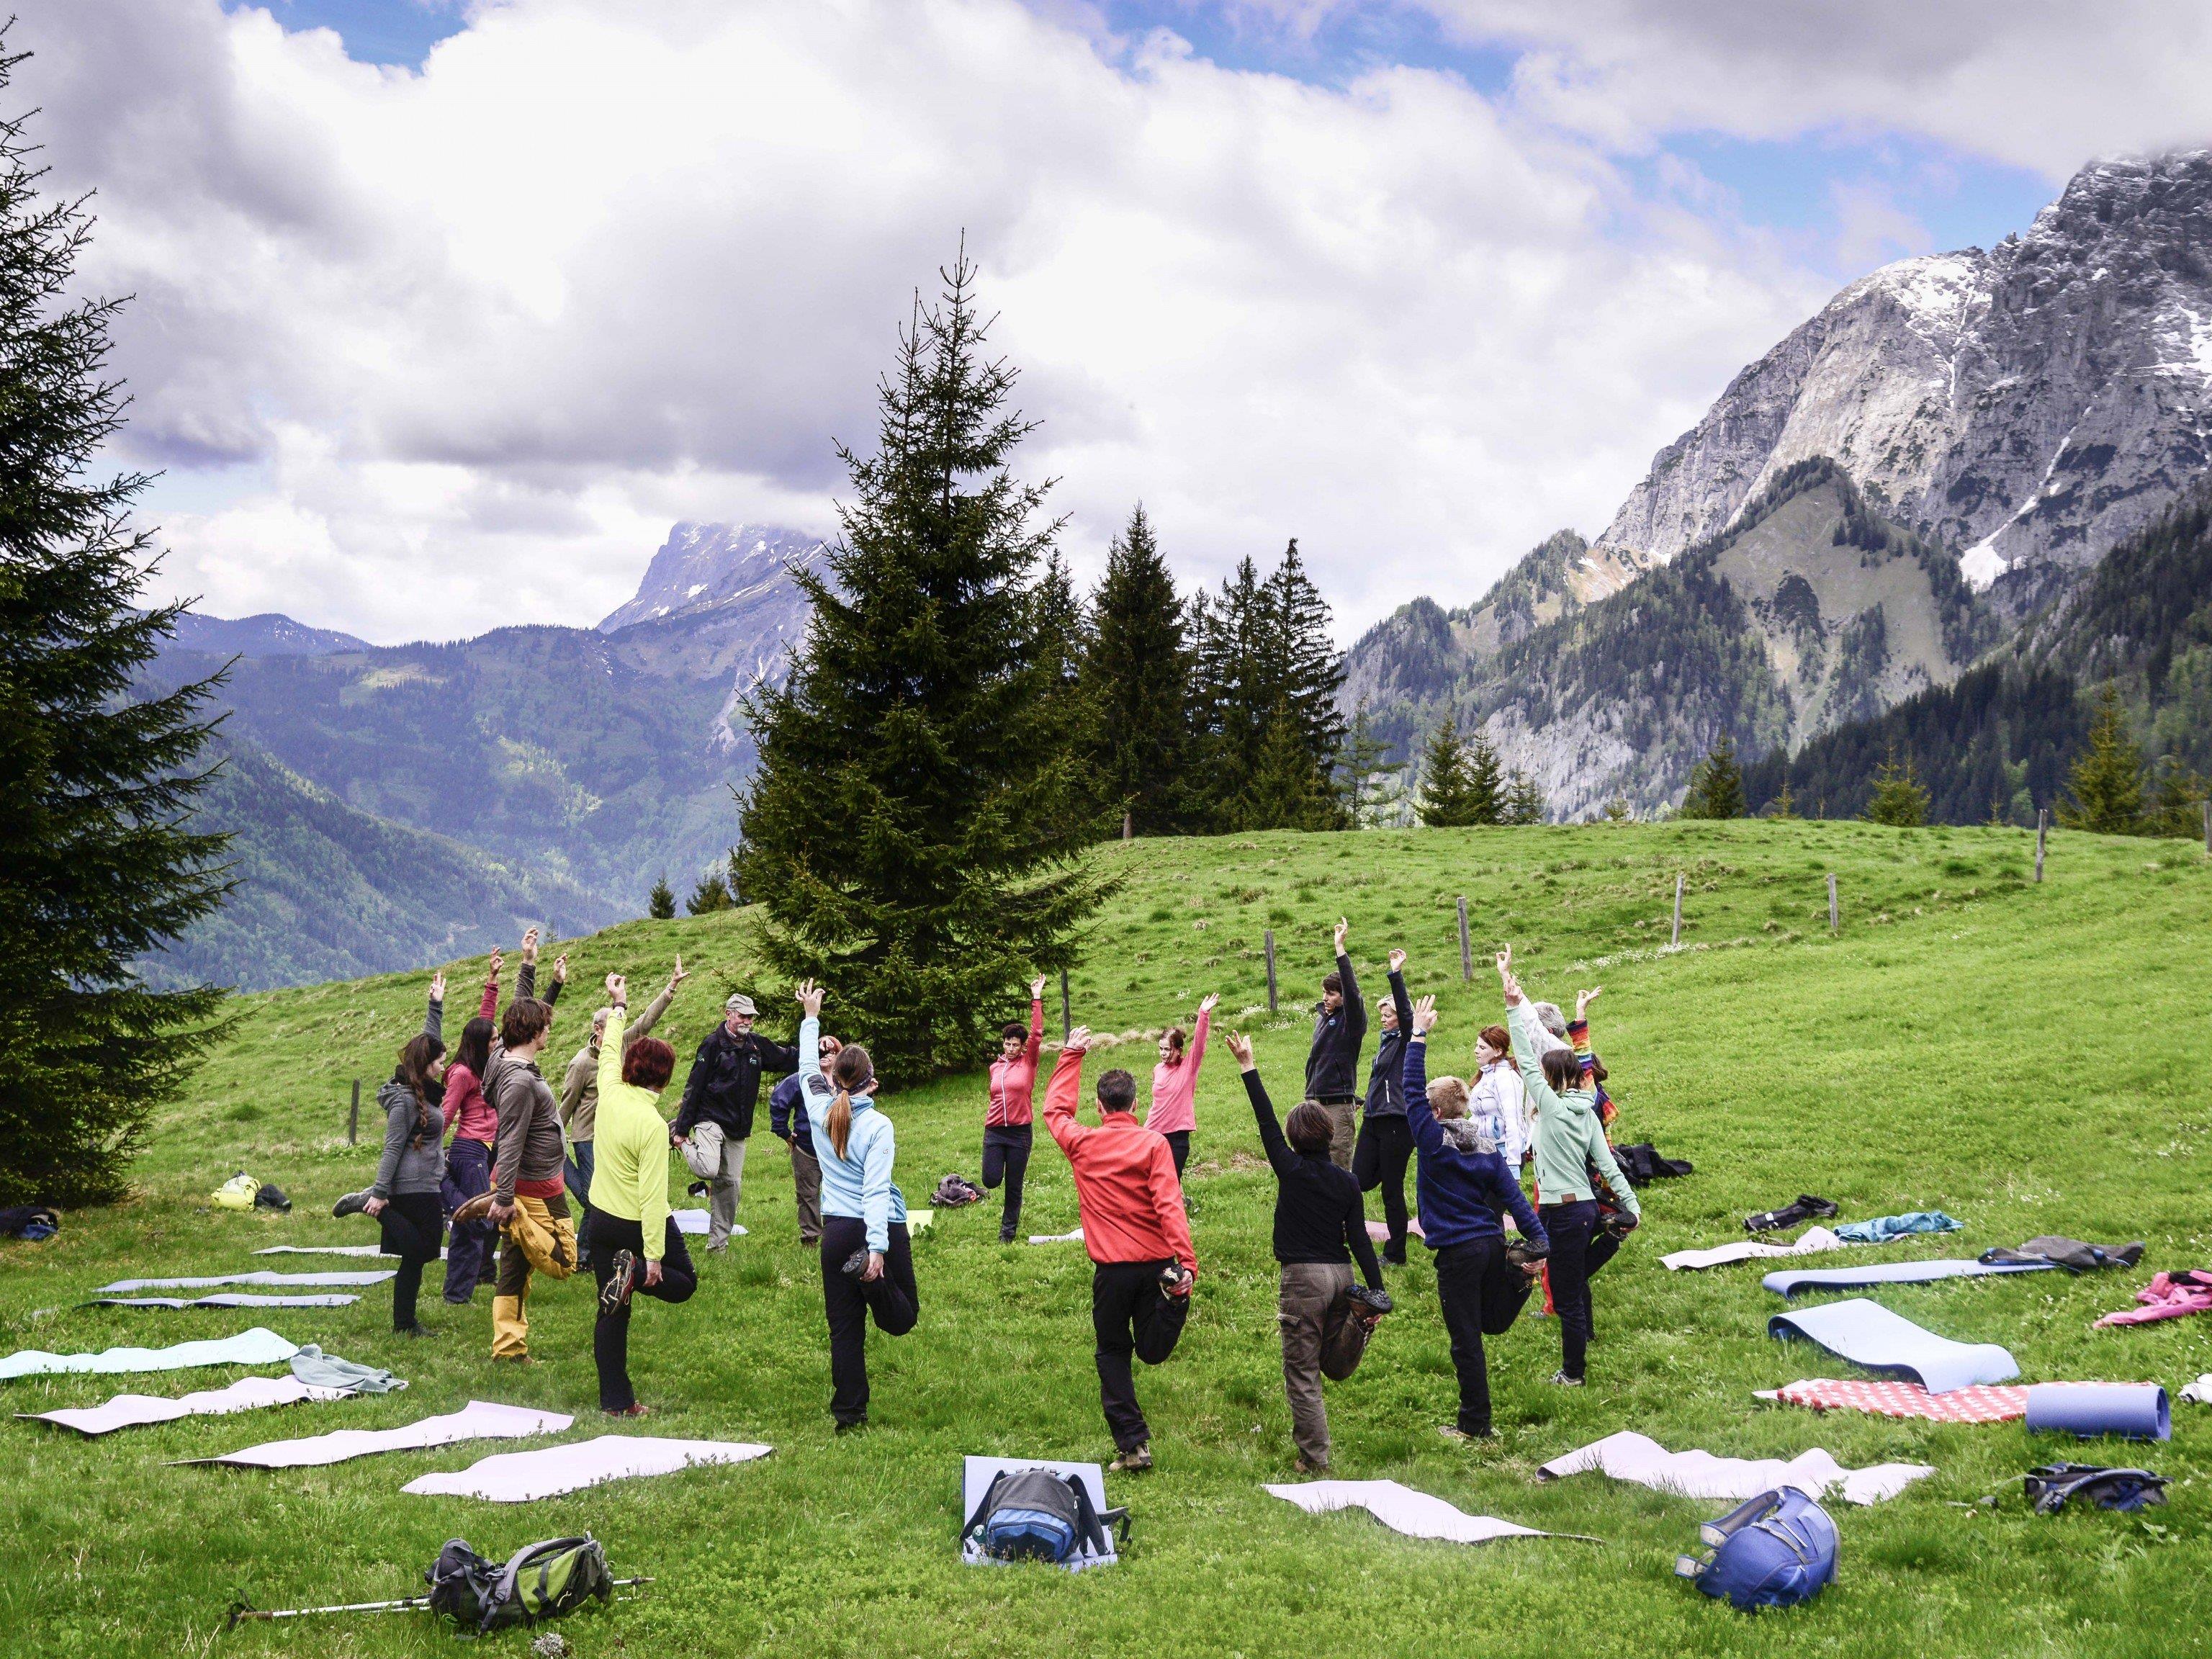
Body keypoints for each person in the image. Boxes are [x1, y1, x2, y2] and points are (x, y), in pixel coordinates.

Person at [1226, 1028, 1391, 1475]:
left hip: (1303, 1279)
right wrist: (1375, 1292)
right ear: (1326, 1135)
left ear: (1295, 1139)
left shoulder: (1291, 1168)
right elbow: (1359, 1239)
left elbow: (1264, 1121)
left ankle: (1315, 1460)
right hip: (1340, 1274)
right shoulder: (1347, 1181)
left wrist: (1248, 1066)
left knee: (1303, 1374)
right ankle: (1358, 1321)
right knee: (1330, 1363)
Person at [1395, 977, 1550, 1442]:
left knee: (1466, 1340)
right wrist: (1538, 1238)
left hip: (1458, 1255)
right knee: (1489, 1322)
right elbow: (1514, 1197)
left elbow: (1408, 1086)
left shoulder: (1432, 1140)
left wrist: (1418, 1035)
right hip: (1491, 1243)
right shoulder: (1485, 1147)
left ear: (1436, 1112)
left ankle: (1475, 1425)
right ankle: (1520, 1275)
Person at [1043, 1025, 1197, 1473]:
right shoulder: (1154, 1143)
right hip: (1157, 1265)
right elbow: (1170, 1203)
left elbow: (1054, 1110)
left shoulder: (1082, 1142)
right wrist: (1185, 1261)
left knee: (1113, 1351)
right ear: (1135, 1104)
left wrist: (1071, 1054)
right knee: (1151, 1349)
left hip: (1111, 1272)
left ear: (1099, 1106)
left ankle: (1133, 1446)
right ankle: (1175, 1298)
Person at [1500, 948, 1639, 1388]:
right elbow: (1608, 1166)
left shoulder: (1551, 1106)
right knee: (1571, 1280)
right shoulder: (1587, 1109)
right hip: (1583, 1210)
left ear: (1550, 1077)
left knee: (1566, 1292)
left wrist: (1511, 1002)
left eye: (1540, 1074)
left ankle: (1573, 1374)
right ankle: (1613, 1235)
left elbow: (1524, 1055)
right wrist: (1632, 1208)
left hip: (1559, 1213)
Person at [584, 974, 698, 1416]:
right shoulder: (653, 1127)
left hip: (600, 1217)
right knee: (683, 1283)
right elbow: (653, 1198)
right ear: (664, 1081)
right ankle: (630, 1274)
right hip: (634, 1222)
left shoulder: (610, 1091)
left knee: (612, 1314)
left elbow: (609, 1048)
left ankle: (616, 1403)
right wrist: (652, 1259)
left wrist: (618, 1006)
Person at [805, 987, 918, 1431]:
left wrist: (810, 1017)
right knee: (903, 1317)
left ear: (833, 1078)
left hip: (833, 1233)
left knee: (844, 1331)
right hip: (874, 1229)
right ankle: (872, 1284)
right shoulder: (878, 1124)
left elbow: (805, 1071)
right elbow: (874, 1191)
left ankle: (849, 1415)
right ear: (872, 1080)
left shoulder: (819, 1109)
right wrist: (876, 1249)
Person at [455, 968, 577, 1362]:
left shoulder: (500, 1058)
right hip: (534, 1189)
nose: (549, 1032)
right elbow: (509, 1140)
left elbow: (520, 1012)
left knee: (514, 1268)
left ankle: (508, 1349)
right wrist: (507, 1200)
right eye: (545, 1026)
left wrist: (530, 968)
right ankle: (512, 1216)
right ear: (533, 1033)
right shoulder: (520, 1082)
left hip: (530, 1181)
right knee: (564, 1260)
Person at [334, 971, 450, 1335]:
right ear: (426, 1065)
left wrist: (436, 1005)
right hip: (407, 1185)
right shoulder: (403, 1099)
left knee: (423, 1254)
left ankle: (404, 1324)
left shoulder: (426, 1089)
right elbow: (392, 1147)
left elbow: (429, 1043)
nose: (444, 1067)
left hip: (429, 1182)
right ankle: (373, 1205)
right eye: (440, 1062)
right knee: (420, 1250)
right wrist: (382, 1192)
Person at [560, 956, 687, 1259]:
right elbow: (566, 1103)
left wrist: (669, 990)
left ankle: (596, 1251)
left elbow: (646, 1022)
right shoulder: (581, 1063)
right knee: (594, 1200)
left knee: (601, 1199)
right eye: (611, 1027)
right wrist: (553, 1136)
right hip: (589, 1137)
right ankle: (586, 1253)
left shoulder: (623, 1043)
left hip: (621, 1134)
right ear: (596, 1029)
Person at [670, 991, 800, 1251]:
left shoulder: (756, 1045)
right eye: (742, 1015)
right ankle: (674, 1132)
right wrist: (683, 1129)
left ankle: (718, 1247)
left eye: (751, 1017)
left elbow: (787, 1058)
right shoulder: (711, 1045)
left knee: (730, 1187)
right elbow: (694, 1087)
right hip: (710, 1119)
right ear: (728, 1014)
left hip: (738, 1128)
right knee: (707, 1169)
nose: (747, 1021)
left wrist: (814, 1046)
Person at [437, 953, 505, 1303]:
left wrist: (492, 980)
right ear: (481, 1045)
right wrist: (430, 1147)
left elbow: (485, 1021)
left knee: (474, 1221)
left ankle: (457, 1294)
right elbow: (446, 1114)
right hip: (470, 1150)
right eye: (493, 1041)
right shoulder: (463, 1073)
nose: (497, 1043)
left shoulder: (482, 1064)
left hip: (486, 1150)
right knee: (475, 1221)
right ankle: (443, 1187)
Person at [1352, 948, 1413, 1264]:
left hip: (1397, 1123)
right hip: (1374, 1119)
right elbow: (1383, 1081)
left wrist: (1395, 974)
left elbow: (1406, 1013)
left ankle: (1396, 1253)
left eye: (1388, 1014)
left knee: (1392, 1190)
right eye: (1382, 1015)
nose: (1384, 1018)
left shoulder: (1406, 1038)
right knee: (1359, 1179)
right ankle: (1353, 1235)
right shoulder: (1385, 1043)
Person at [981, 976, 1047, 1244]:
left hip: (1020, 1133)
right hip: (995, 1132)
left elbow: (1037, 1034)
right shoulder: (995, 1068)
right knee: (991, 1180)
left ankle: (1007, 1234)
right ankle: (992, 1183)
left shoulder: (1028, 1063)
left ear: (1022, 1047)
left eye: (1015, 1045)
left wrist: (1037, 998)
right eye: (1007, 1043)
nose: (1010, 1048)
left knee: (1013, 1186)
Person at [770, 1022, 841, 1247]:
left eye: (828, 1051)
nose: (823, 1054)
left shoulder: (844, 1082)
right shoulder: (803, 1078)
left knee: (838, 1191)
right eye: (818, 1050)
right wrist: (784, 1132)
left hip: (837, 1149)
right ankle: (811, 1238)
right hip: (807, 1148)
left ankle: (837, 1233)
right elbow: (778, 1102)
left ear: (839, 1055)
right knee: (808, 1194)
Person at [1305, 918, 1367, 1169]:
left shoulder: (1352, 1022)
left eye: (1331, 993)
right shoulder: (1322, 1019)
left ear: (1343, 996)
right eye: (1324, 992)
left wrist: (1340, 950)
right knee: (1312, 1164)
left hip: (1339, 1105)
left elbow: (1353, 992)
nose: (1325, 998)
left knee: (1339, 1165)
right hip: (1314, 1101)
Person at [1146, 992, 1216, 1181]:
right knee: (1150, 1179)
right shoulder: (1157, 1069)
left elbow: (1199, 1044)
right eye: (1160, 1049)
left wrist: (1203, 1014)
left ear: (1178, 1050)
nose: (1163, 1053)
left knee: (1170, 1182)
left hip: (1177, 1137)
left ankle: (1177, 1205)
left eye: (1167, 1049)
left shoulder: (1188, 1068)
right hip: (1153, 1133)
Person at [1466, 1022, 1526, 1175]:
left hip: (1503, 1156)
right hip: (1484, 1153)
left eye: (1482, 1048)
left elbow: (1513, 1121)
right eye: (1476, 1046)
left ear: (1498, 1051)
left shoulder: (1505, 1078)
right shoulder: (1485, 1076)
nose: (1476, 1051)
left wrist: (1513, 1165)